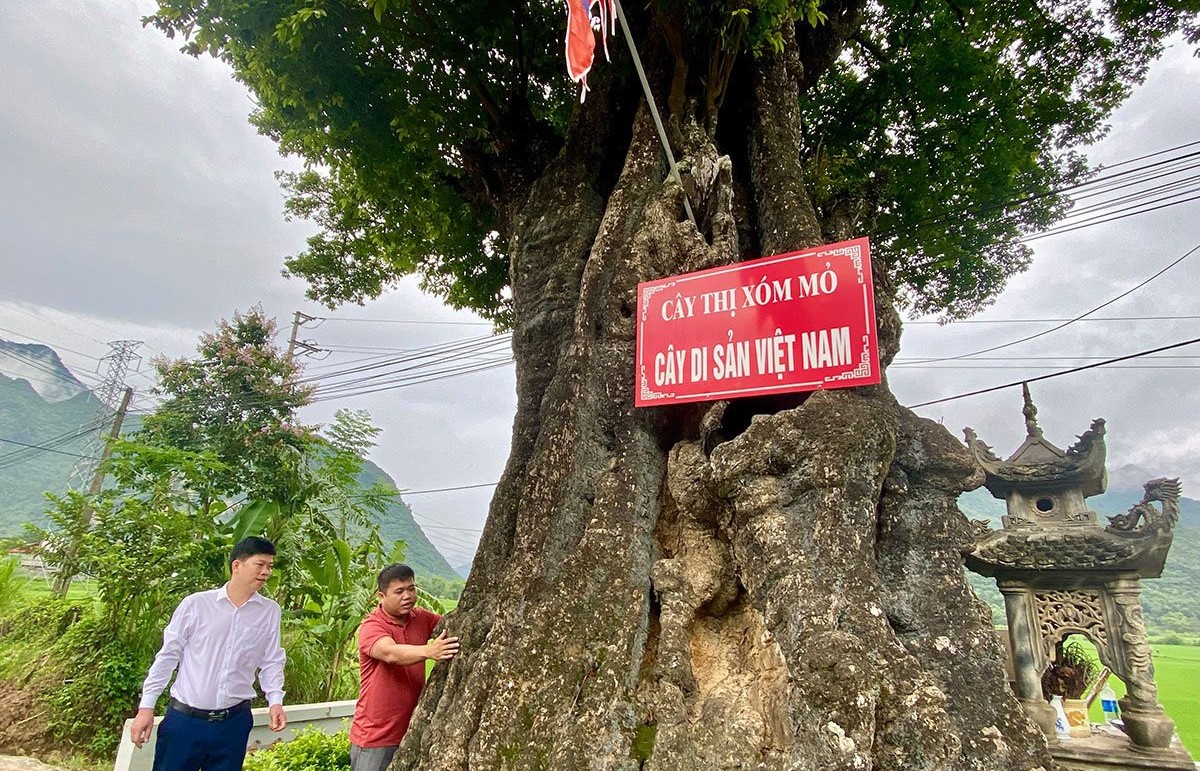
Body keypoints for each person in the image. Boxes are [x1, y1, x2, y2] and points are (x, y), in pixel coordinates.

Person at [129, 536, 288, 771]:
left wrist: (275, 700)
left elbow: (272, 659)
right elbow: (168, 656)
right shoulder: (196, 605)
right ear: (237, 565)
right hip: (185, 721)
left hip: (233, 723)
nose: (266, 572)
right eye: (260, 564)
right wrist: (146, 707)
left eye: (270, 566)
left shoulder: (269, 612)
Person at [350, 564, 459, 771]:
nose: (407, 596)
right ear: (381, 596)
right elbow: (390, 653)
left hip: (413, 731)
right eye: (399, 591)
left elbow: (455, 627)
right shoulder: (372, 626)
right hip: (375, 738)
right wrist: (430, 651)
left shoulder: (421, 618)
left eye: (411, 589)